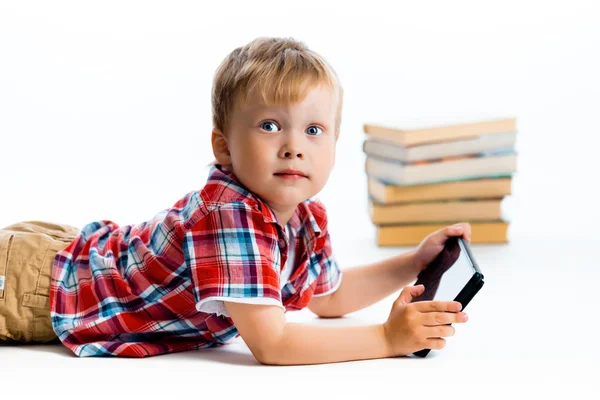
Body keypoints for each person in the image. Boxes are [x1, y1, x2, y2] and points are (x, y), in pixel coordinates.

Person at [0, 36, 471, 364]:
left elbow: (328, 297)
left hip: (72, 256)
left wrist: (413, 263)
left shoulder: (304, 218)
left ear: (334, 144)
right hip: (42, 286)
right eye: (270, 126)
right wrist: (386, 339)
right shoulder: (231, 212)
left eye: (313, 129)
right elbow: (273, 344)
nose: (294, 146)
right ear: (223, 146)